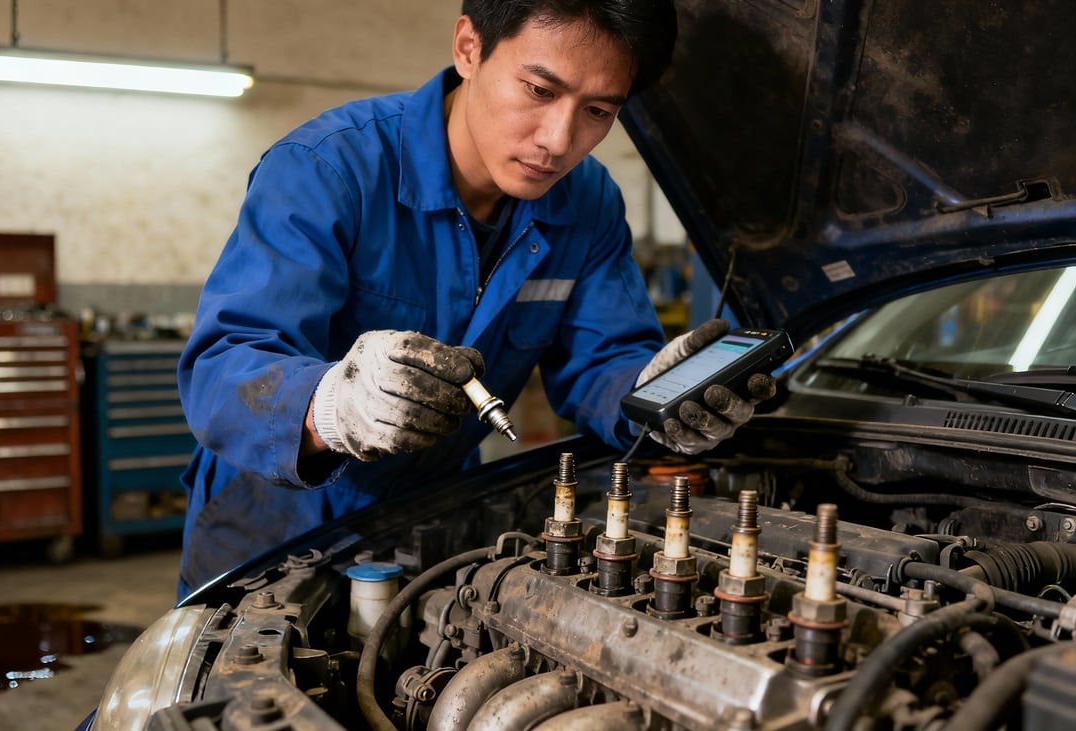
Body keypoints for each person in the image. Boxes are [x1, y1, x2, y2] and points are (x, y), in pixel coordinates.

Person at [176, 0, 774, 599]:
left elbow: (601, 365)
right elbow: (221, 369)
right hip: (269, 522)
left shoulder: (587, 205)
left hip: (436, 512)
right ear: (468, 47)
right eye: (540, 90)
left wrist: (655, 392)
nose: (559, 141)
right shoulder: (328, 170)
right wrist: (333, 406)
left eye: (596, 111)